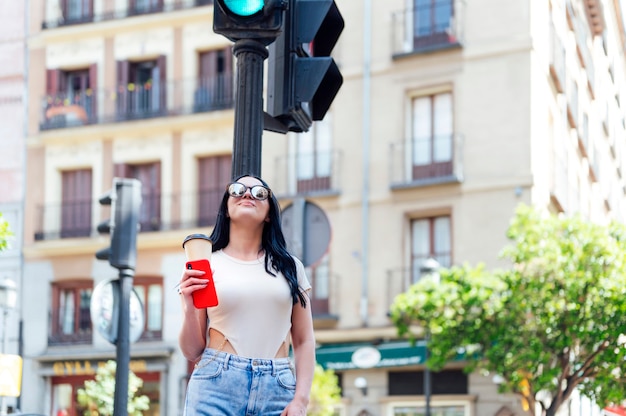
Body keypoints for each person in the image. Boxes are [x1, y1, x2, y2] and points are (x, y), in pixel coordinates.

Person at [178, 175, 315, 416]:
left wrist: (301, 400)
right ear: (227, 209)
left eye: (260, 192)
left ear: (270, 212)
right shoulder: (207, 264)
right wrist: (189, 308)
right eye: (238, 189)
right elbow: (192, 351)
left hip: (277, 388)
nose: (248, 194)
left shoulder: (290, 267)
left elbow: (304, 340)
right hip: (216, 383)